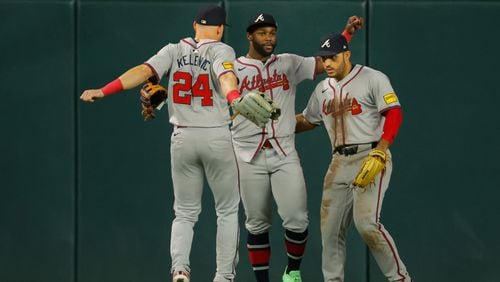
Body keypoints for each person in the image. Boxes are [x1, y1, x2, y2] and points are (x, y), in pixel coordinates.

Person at [80, 5, 271, 282]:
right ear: (219, 30)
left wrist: (103, 90)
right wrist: (233, 98)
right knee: (227, 210)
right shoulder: (221, 50)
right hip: (216, 136)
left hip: (182, 138)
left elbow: (141, 71)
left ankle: (180, 270)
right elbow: (226, 76)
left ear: (195, 25)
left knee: (184, 213)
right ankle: (223, 276)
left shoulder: (172, 50)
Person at [231, 13, 362, 282]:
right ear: (249, 35)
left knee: (298, 220)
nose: (268, 38)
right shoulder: (232, 69)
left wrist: (346, 34)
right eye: (262, 32)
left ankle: (292, 272)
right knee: (256, 222)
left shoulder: (289, 62)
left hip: (283, 152)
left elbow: (323, 62)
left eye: (272, 32)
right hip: (247, 154)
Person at [295, 32, 412, 282]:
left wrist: (382, 148)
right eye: (324, 58)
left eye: (333, 57)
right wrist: (272, 122)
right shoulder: (322, 89)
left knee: (366, 224)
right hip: (338, 162)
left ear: (347, 54)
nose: (327, 63)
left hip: (370, 155)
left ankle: (400, 279)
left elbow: (394, 113)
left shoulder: (372, 78)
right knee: (330, 231)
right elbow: (307, 120)